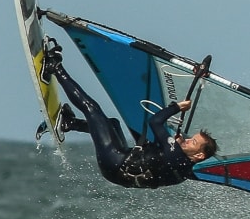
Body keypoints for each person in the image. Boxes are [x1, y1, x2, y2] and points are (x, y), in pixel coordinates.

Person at [39, 37, 218, 188]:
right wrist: (170, 144)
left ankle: (54, 67)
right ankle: (69, 123)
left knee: (91, 108)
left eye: (192, 141)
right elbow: (158, 162)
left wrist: (176, 108)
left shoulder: (175, 155)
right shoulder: (184, 168)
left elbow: (155, 122)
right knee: (113, 124)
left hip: (116, 162)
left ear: (199, 155)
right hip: (119, 168)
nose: (187, 140)